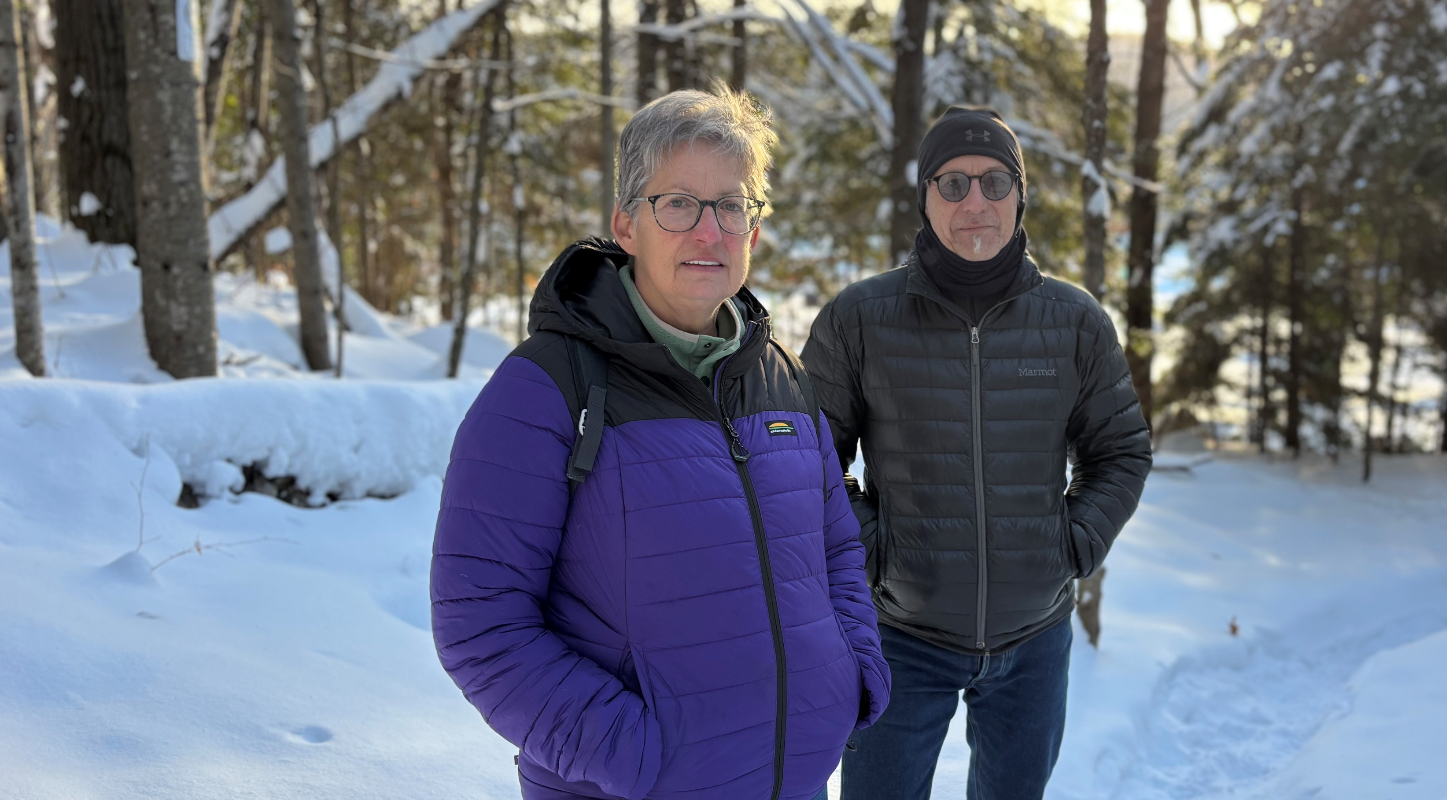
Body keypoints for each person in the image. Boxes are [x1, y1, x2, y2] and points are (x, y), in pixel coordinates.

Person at [432, 87, 890, 800]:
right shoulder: (547, 387)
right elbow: (479, 619)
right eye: (678, 204)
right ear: (626, 224)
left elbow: (833, 551)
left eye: (731, 206)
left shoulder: (782, 379)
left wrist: (848, 678)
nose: (708, 232)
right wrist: (634, 754)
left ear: (753, 232)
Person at [803, 106, 1153, 800]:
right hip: (900, 640)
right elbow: (807, 467)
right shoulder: (859, 319)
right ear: (925, 196)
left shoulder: (1074, 321)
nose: (976, 202)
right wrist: (877, 555)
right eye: (953, 183)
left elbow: (1120, 451)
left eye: (996, 182)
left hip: (1035, 643)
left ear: (1020, 196)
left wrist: (1071, 546)